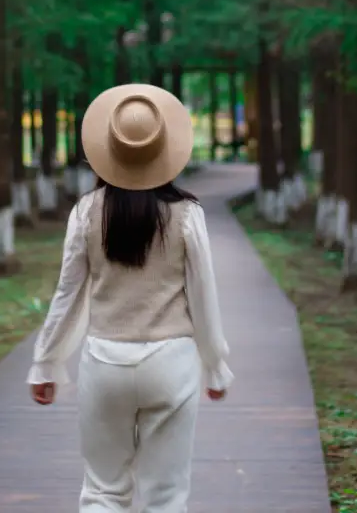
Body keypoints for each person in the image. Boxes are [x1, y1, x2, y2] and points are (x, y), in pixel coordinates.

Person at [27, 83, 232, 513]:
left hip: (104, 361)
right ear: (165, 151)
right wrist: (215, 365)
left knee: (103, 491)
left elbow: (68, 293)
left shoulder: (86, 212)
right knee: (165, 496)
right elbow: (203, 295)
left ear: (108, 151)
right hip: (172, 363)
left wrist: (46, 361)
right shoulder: (188, 214)